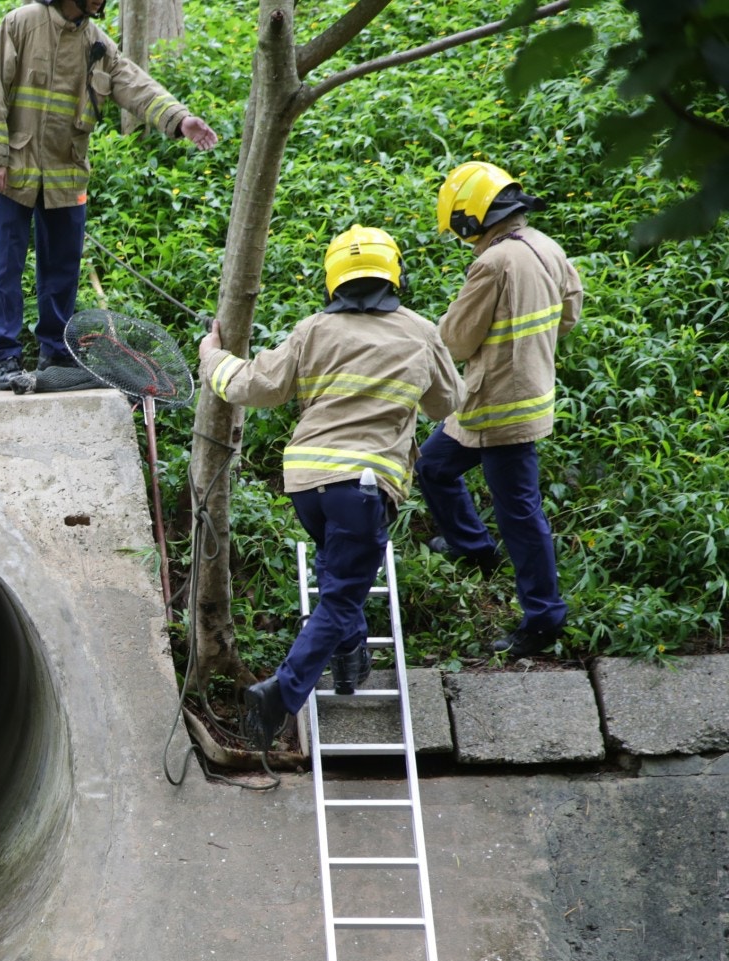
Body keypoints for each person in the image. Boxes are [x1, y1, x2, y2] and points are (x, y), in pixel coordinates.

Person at [198, 226, 463, 750]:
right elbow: (446, 404)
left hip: (306, 484)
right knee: (342, 596)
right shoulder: (419, 332)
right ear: (395, 274)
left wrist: (212, 355)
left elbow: (257, 386)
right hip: (364, 486)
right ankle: (282, 692)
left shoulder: (313, 330)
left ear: (333, 280)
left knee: (337, 574)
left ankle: (350, 663)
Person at [0, 0, 217, 392]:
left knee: (63, 271)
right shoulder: (21, 23)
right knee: (6, 268)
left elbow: (135, 85)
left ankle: (55, 351)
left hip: (67, 174)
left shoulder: (97, 43)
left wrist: (179, 118)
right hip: (14, 170)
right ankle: (3, 356)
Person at [417, 161, 584, 658]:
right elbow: (570, 311)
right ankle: (472, 549)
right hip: (519, 396)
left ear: (471, 219)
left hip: (499, 408)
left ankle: (544, 618)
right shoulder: (546, 246)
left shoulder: (493, 263)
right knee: (433, 465)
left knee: (519, 513)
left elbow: (456, 339)